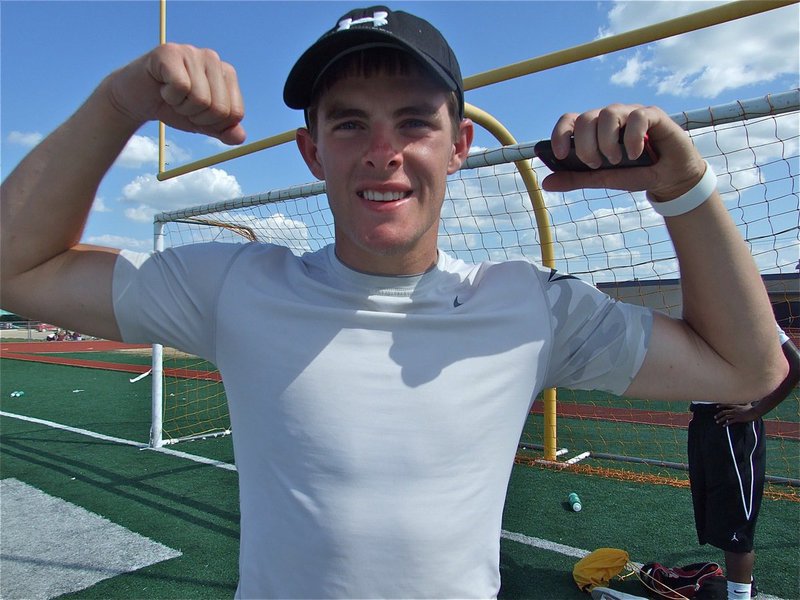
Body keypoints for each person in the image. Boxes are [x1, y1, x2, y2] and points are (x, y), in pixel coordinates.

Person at [0, 5, 790, 598]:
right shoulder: (234, 285)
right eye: (350, 124)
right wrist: (119, 101)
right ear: (312, 151)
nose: (383, 151)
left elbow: (746, 368)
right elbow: (17, 269)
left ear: (459, 146)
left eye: (414, 122)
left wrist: (685, 189)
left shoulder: (527, 304)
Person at [689, 328, 800, 600]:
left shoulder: (748, 314)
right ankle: (743, 587)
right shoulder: (700, 314)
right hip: (704, 422)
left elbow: (795, 364)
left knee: (737, 529)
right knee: (718, 518)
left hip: (733, 426)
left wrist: (756, 410)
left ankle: (739, 596)